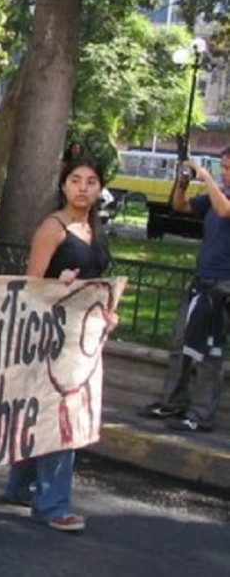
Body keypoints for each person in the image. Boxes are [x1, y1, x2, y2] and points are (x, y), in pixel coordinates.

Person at [5, 156, 114, 532]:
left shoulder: (94, 228)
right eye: (75, 180)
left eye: (91, 181)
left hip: (83, 336)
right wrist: (58, 286)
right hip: (49, 334)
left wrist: (106, 312)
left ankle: (21, 486)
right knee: (65, 416)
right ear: (63, 186)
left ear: (100, 188)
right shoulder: (53, 228)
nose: (83, 187)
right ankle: (52, 503)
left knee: (46, 412)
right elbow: (32, 284)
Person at [138, 150, 230, 432]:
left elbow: (225, 210)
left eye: (229, 168)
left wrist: (206, 176)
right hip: (201, 282)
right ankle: (173, 402)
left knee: (209, 353)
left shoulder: (222, 198)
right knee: (181, 345)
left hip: (222, 286)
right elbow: (181, 206)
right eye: (224, 167)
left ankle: (201, 415)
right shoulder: (216, 196)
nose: (225, 173)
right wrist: (183, 182)